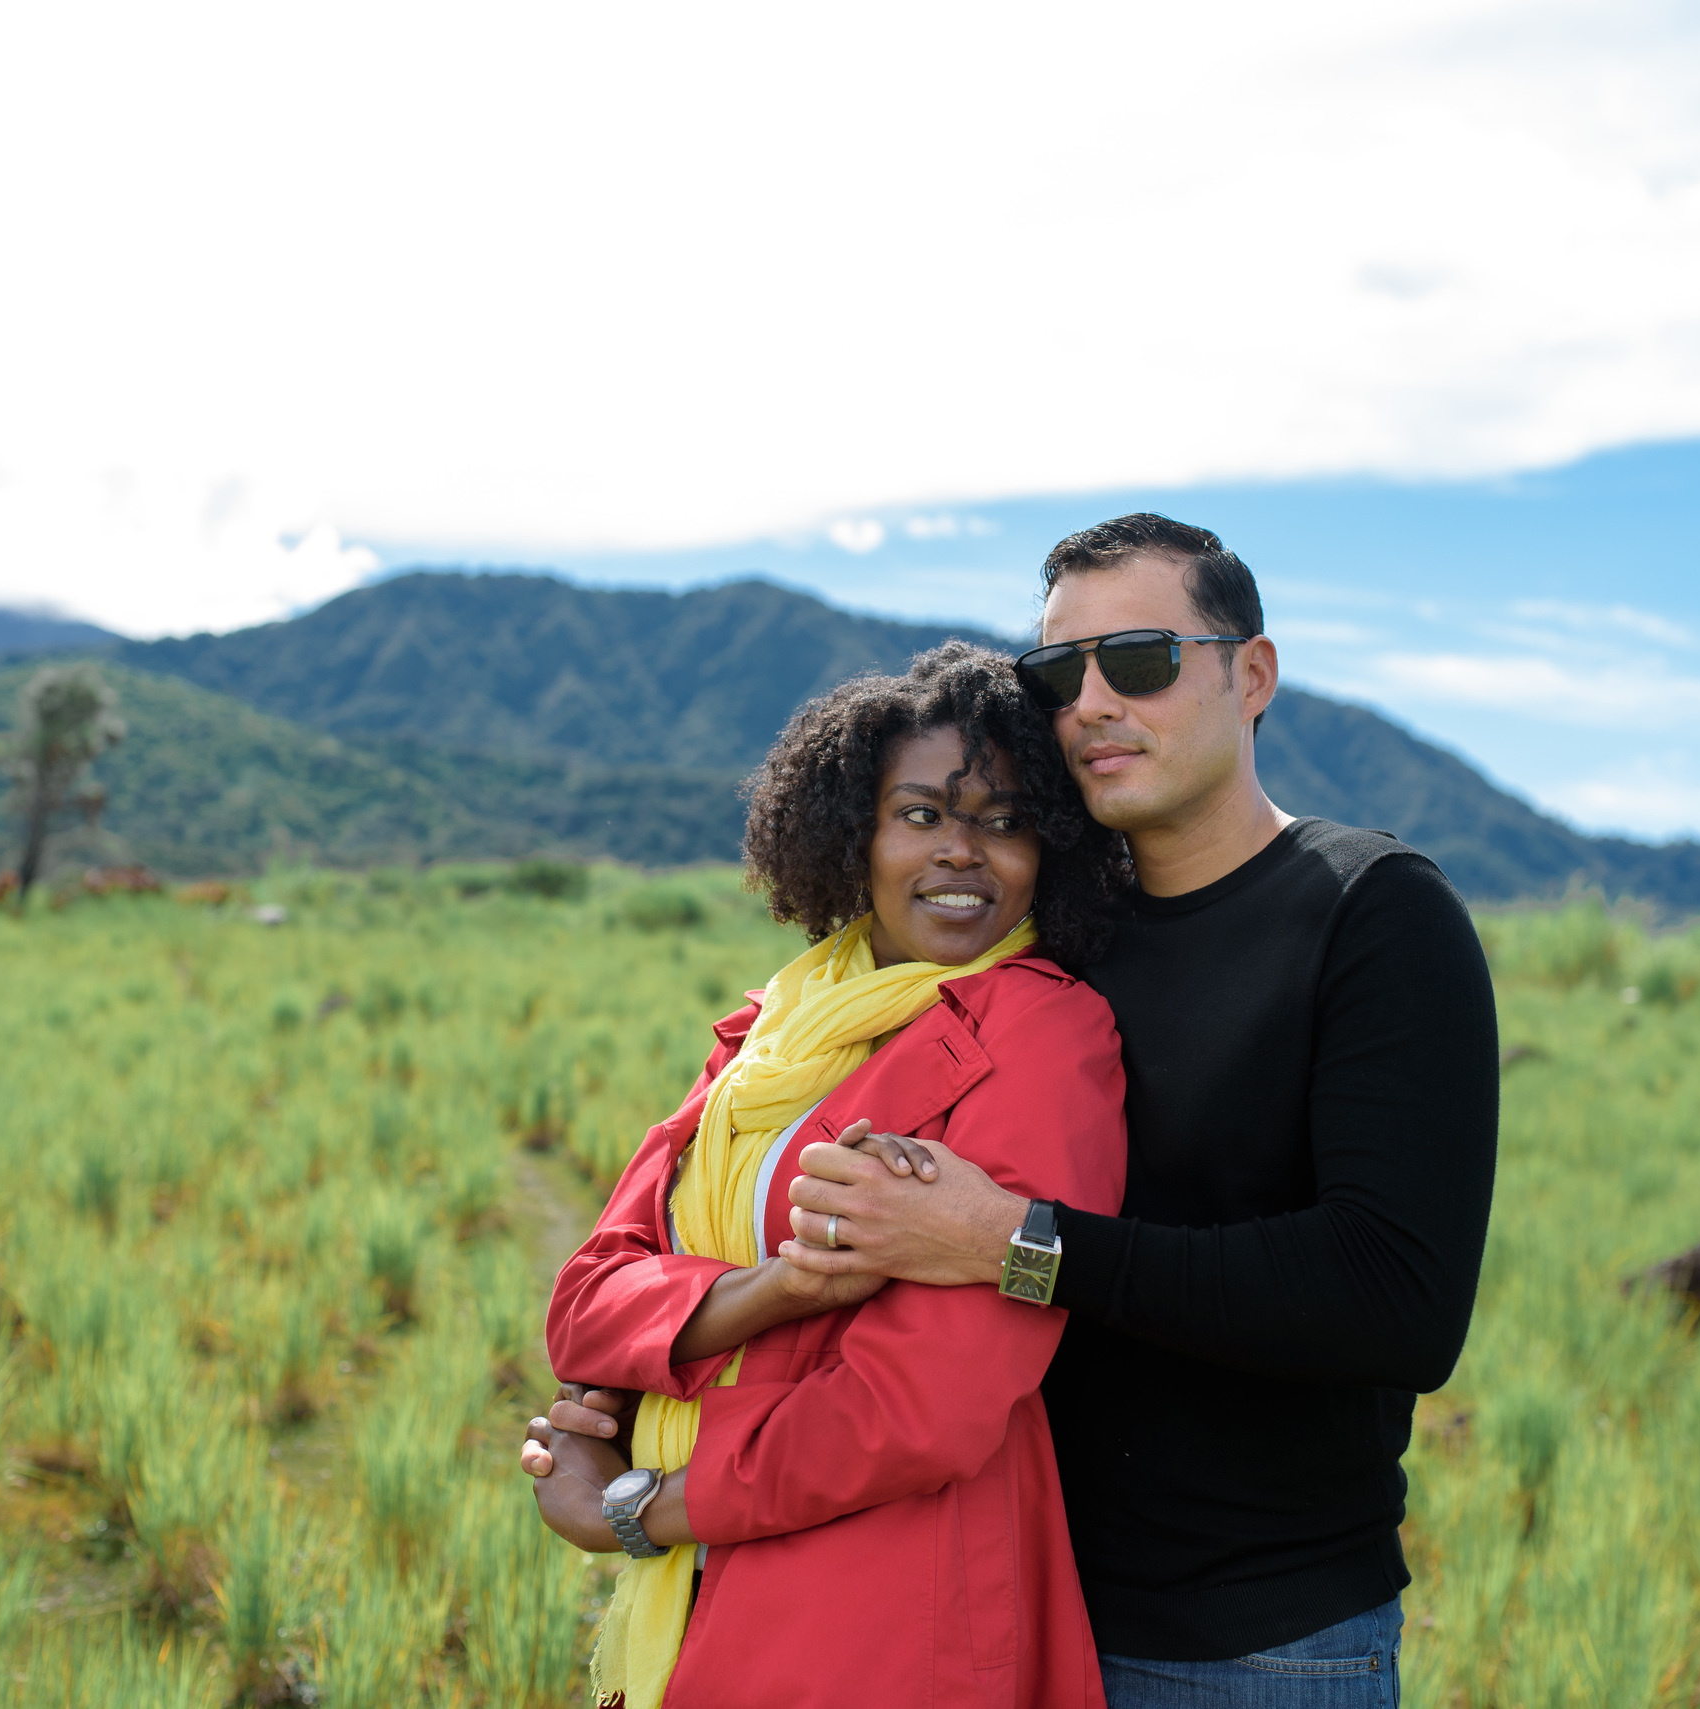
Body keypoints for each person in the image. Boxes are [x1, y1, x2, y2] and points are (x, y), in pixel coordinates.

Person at [577, 515, 1501, 1706]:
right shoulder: (1046, 944)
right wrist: (624, 1391)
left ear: (1251, 674)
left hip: (1248, 1636)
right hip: (1001, 1594)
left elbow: (1396, 1304)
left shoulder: (1368, 912)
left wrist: (1016, 1245)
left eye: (1144, 659)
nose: (1095, 701)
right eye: (1060, 672)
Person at [519, 641, 1134, 1709]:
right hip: (703, 1592)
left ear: (1053, 848)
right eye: (923, 815)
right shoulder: (770, 1029)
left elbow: (923, 1407)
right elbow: (584, 1303)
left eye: (1004, 821)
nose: (964, 853)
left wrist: (634, 1501)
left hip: (883, 1610)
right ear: (853, 832)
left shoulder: (1045, 1033)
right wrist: (779, 1289)